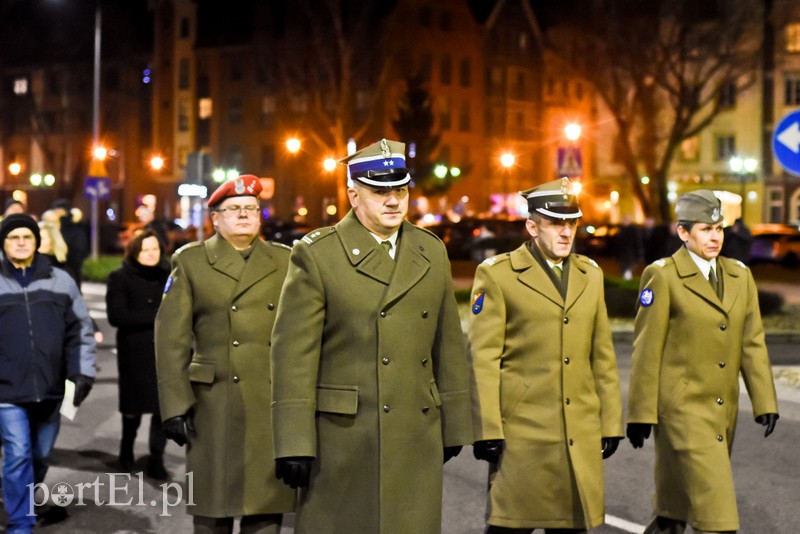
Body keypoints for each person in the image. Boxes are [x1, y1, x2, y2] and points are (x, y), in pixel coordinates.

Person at [270, 138, 472, 534]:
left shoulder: (431, 251)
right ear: (353, 195)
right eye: (380, 191)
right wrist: (293, 440)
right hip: (344, 437)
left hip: (416, 430)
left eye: (400, 190)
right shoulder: (318, 254)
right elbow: (293, 353)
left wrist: (457, 424)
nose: (393, 201)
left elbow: (447, 343)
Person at [469, 178, 623, 533]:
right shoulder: (499, 276)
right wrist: (486, 428)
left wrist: (611, 422)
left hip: (578, 434)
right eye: (556, 223)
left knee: (571, 526)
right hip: (522, 435)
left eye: (572, 223)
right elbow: (483, 358)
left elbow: (602, 356)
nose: (566, 232)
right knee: (510, 526)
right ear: (532, 227)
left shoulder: (590, 275)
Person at [626, 190, 779, 534]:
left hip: (723, 413)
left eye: (719, 229)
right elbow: (647, 350)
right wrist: (639, 414)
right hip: (681, 412)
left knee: (673, 513)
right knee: (718, 519)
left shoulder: (740, 276)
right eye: (705, 230)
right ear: (683, 233)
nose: (715, 237)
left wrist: (765, 401)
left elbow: (751, 343)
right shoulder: (663, 276)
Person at [155, 175, 294, 532]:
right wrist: (174, 405)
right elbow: (170, 338)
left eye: (252, 209)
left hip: (270, 399)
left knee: (265, 510)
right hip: (212, 401)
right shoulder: (191, 262)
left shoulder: (286, 261)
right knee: (212, 511)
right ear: (214, 218)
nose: (244, 215)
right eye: (234, 209)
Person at [0, 214, 96, 533]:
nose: (21, 242)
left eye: (27, 237)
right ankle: (20, 523)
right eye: (13, 237)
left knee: (40, 455)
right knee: (18, 454)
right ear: (3, 243)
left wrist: (82, 373)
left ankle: (20, 495)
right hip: (7, 391)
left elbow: (80, 330)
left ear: (37, 242)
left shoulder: (60, 280)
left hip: (53, 389)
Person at [106, 230, 170, 479]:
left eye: (155, 248)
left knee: (162, 408)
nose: (151, 253)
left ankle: (157, 458)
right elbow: (117, 316)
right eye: (145, 249)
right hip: (135, 351)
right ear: (135, 252)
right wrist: (158, 318)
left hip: (165, 351)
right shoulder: (120, 277)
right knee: (133, 407)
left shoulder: (170, 276)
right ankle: (126, 448)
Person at [51, 200, 90, 290]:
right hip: (61, 267)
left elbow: (80, 248)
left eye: (58, 211)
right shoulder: (53, 225)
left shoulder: (74, 226)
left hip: (70, 265)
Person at [616, 214, 643, 280]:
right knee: (624, 271)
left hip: (631, 254)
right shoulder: (621, 229)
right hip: (623, 254)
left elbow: (638, 243)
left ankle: (627, 284)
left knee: (627, 271)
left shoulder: (634, 230)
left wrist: (639, 255)